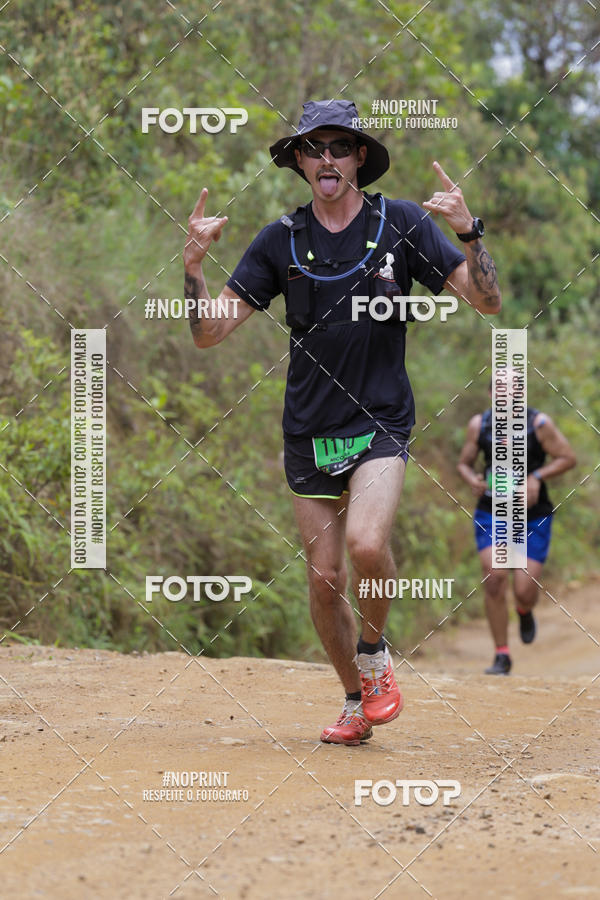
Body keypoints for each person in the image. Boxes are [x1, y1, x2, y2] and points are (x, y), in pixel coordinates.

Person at [183, 99, 502, 745]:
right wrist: (192, 267)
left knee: (364, 545)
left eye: (339, 146)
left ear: (359, 158)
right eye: (314, 148)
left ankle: (377, 655)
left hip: (381, 419)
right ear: (300, 161)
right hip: (307, 429)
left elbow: (486, 300)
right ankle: (356, 702)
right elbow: (209, 334)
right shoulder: (281, 239)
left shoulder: (403, 223)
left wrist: (472, 233)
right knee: (325, 579)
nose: (327, 158)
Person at [457, 381, 576, 674]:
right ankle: (502, 654)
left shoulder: (539, 424)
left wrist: (536, 476)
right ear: (490, 394)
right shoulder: (480, 424)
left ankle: (524, 610)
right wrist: (471, 478)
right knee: (495, 577)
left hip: (533, 516)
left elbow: (567, 458)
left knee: (524, 590)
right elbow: (464, 463)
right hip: (492, 513)